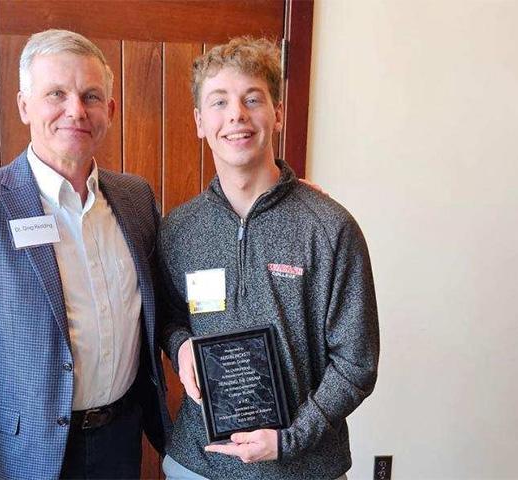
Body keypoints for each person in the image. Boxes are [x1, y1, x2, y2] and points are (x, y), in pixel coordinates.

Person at [0, 29, 170, 479]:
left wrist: (276, 199)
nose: (75, 110)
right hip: (19, 455)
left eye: (90, 96)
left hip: (120, 441)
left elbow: (167, 301)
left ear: (109, 110)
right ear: (25, 105)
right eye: (56, 94)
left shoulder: (136, 198)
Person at [157, 37, 379, 480]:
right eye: (219, 102)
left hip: (305, 467)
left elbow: (357, 361)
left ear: (277, 112)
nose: (236, 114)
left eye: (252, 98)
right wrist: (180, 345)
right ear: (200, 122)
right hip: (198, 464)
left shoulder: (330, 227)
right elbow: (166, 315)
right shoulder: (178, 229)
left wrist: (290, 439)